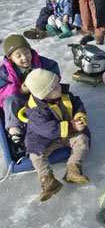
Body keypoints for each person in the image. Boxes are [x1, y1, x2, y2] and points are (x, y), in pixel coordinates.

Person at [24, 69, 90, 202]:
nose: (59, 87)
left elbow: (77, 104)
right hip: (43, 139)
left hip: (67, 133)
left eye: (57, 83)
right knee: (35, 155)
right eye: (54, 87)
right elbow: (48, 130)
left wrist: (79, 117)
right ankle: (47, 180)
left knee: (82, 140)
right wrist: (71, 126)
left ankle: (73, 169)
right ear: (44, 95)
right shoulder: (36, 112)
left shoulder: (64, 94)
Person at [0, 35, 60, 153]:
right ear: (10, 58)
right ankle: (15, 132)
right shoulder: (4, 72)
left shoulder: (41, 62)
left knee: (58, 95)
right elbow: (1, 91)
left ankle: (55, 125)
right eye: (18, 55)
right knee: (10, 101)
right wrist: (20, 90)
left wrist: (44, 84)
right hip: (20, 99)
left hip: (41, 97)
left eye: (26, 52)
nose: (25, 57)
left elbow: (54, 73)